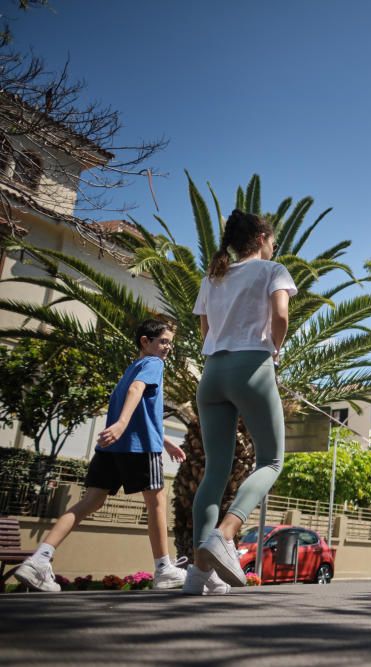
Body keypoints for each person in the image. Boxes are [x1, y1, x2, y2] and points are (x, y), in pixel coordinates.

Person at [14, 319, 189, 592]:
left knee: (90, 501)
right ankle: (164, 568)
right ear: (146, 341)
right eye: (164, 341)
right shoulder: (153, 364)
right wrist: (120, 425)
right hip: (139, 448)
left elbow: (141, 411)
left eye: (169, 343)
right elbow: (136, 392)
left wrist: (164, 440)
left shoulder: (130, 369)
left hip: (112, 448)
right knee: (157, 501)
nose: (168, 348)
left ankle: (40, 558)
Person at [183, 209, 297, 596]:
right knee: (272, 459)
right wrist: (274, 350)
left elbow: (206, 332)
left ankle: (198, 574)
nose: (274, 246)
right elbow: (280, 315)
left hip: (212, 372)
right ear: (262, 237)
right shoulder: (272, 270)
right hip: (252, 365)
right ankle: (226, 533)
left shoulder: (213, 277)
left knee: (214, 471)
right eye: (273, 239)